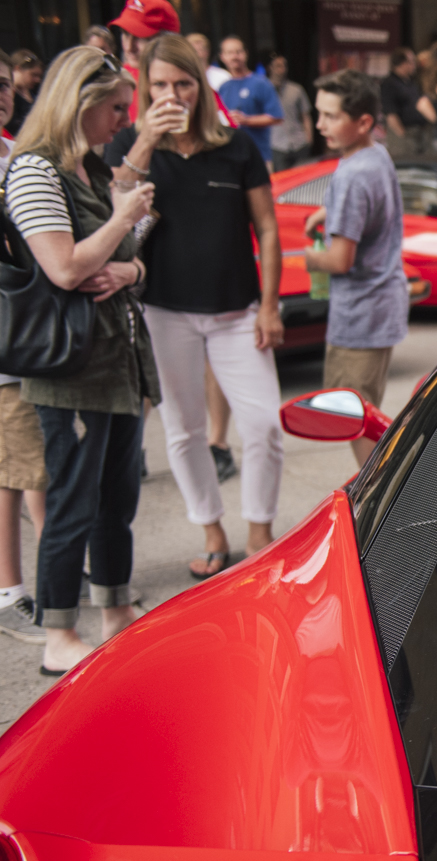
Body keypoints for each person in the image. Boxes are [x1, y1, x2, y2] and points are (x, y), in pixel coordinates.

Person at [104, 33, 285, 581]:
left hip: (236, 309)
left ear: (200, 84)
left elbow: (269, 229)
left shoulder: (235, 146)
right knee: (182, 429)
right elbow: (117, 226)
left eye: (183, 83)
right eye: (160, 84)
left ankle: (259, 529)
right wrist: (142, 146)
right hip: (165, 310)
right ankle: (211, 528)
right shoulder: (129, 148)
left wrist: (270, 305)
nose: (172, 94)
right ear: (144, 87)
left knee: (263, 425)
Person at [4, 46, 159, 674]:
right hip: (71, 367)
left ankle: (115, 608)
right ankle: (59, 632)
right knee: (72, 500)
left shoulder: (90, 170)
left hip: (118, 361)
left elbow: (123, 263)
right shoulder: (35, 171)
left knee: (117, 496)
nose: (122, 120)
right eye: (115, 108)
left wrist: (133, 261)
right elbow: (65, 267)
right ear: (80, 103)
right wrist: (123, 216)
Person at [302, 69, 407, 465]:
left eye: (331, 116)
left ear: (363, 122)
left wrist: (307, 258)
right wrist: (331, 212)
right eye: (319, 113)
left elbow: (339, 260)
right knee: (368, 413)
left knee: (356, 421)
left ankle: (380, 504)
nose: (320, 125)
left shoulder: (351, 175)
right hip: (382, 306)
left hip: (360, 315)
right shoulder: (376, 154)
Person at [0, 50, 47, 645]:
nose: (1, 93)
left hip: (24, 331)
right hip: (6, 341)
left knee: (33, 459)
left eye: (5, 84)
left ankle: (55, 564)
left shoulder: (15, 152)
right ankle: (10, 589)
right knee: (11, 468)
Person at [217, 36, 283, 171]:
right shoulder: (223, 87)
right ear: (222, 57)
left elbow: (277, 117)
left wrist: (246, 120)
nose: (234, 57)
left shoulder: (261, 83)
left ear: (245, 54)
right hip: (230, 157)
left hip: (259, 156)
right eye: (229, 53)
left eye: (238, 52)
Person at [381, 47, 432, 156]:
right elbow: (390, 114)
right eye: (412, 61)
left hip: (419, 133)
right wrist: (402, 135)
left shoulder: (410, 82)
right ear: (403, 63)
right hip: (404, 135)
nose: (414, 65)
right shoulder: (389, 84)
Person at [268, 54, 311, 172]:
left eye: (284, 66)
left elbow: (305, 115)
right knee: (283, 182)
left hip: (299, 142)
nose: (282, 69)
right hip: (277, 145)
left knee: (304, 179)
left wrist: (309, 139)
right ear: (270, 68)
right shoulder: (264, 90)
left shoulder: (296, 89)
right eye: (278, 66)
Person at [6, 50, 41, 133]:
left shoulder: (34, 93)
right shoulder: (8, 96)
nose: (37, 80)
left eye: (39, 76)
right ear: (17, 69)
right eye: (33, 75)